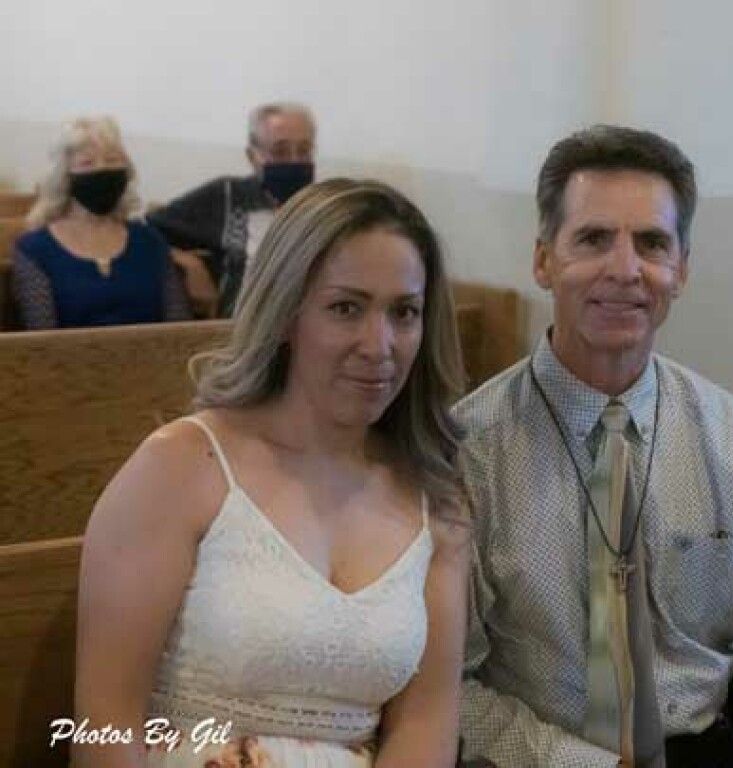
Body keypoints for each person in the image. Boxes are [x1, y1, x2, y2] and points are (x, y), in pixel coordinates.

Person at [455, 126, 733, 767]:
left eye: (652, 243)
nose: (625, 270)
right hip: (541, 755)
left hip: (701, 747)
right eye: (594, 239)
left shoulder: (732, 435)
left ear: (680, 268)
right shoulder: (470, 451)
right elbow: (448, 685)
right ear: (544, 260)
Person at [75, 179, 470, 768]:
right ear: (286, 314)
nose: (379, 344)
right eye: (346, 308)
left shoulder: (434, 500)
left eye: (404, 312)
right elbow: (104, 728)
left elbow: (424, 728)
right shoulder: (182, 467)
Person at [11, 116, 192, 329]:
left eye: (113, 160)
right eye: (87, 163)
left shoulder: (149, 240)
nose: (102, 170)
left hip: (152, 359)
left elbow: (178, 326)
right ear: (65, 176)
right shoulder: (34, 249)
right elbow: (42, 336)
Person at [147, 102, 317, 317]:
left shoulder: (324, 206)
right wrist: (188, 263)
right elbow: (146, 232)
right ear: (252, 156)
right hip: (237, 333)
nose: (295, 161)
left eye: (304, 150)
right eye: (280, 151)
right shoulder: (228, 196)